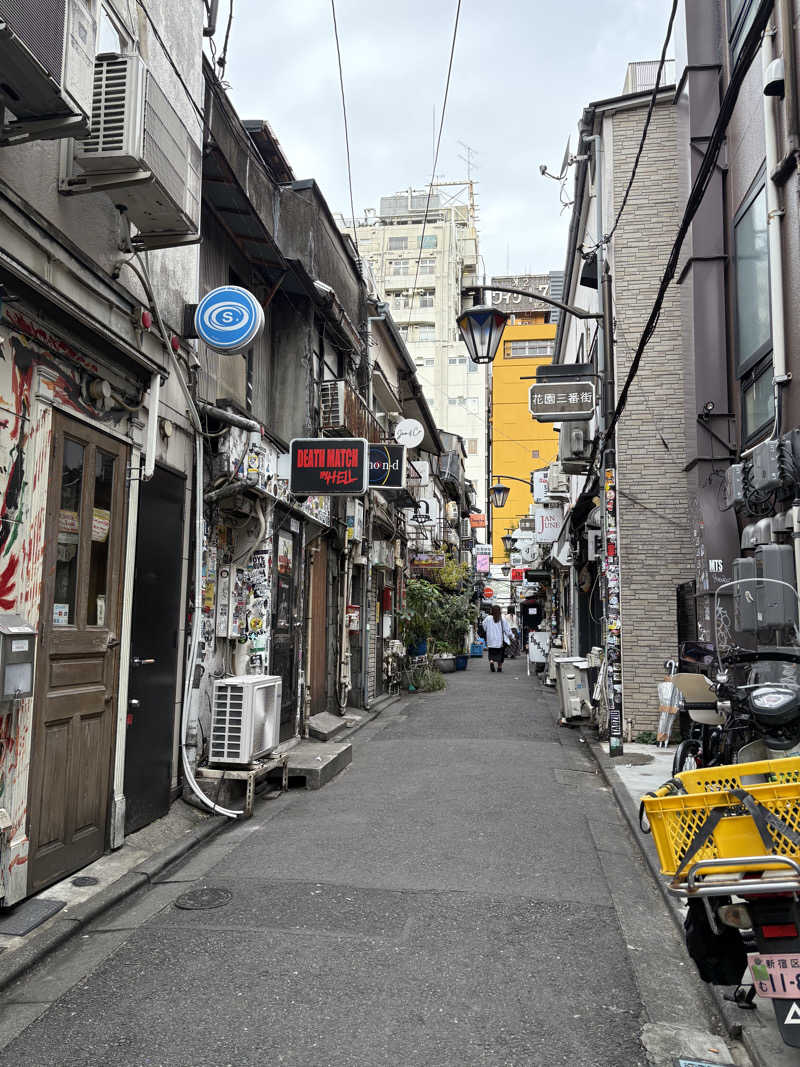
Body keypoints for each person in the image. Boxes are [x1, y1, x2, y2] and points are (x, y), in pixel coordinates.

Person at [481, 605, 513, 673]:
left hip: (490, 640)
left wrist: (488, 630)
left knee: (491, 653)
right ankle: (499, 667)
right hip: (499, 641)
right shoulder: (502, 619)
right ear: (499, 611)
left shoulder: (488, 618)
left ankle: (492, 661)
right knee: (500, 655)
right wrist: (511, 636)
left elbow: (484, 626)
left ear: (492, 611)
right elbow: (507, 630)